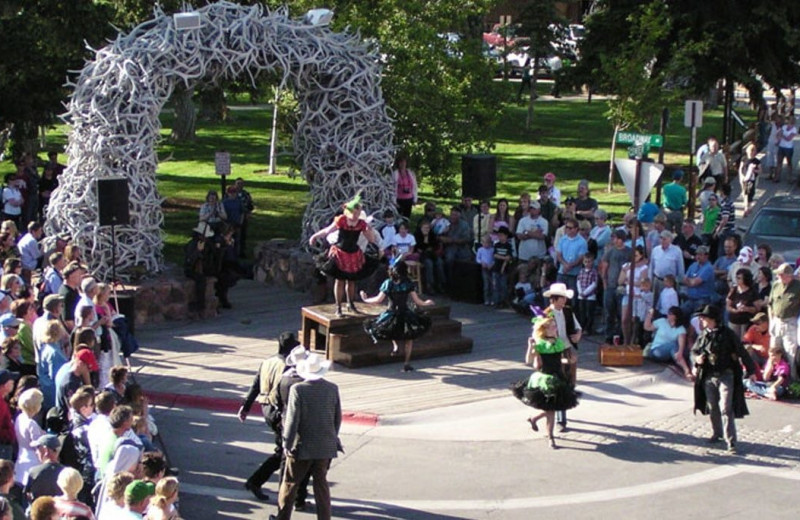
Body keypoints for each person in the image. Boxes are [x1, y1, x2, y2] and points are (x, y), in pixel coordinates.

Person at [270, 353, 342, 520]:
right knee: (321, 485)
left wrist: (287, 444)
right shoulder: (332, 388)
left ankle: (282, 517)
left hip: (302, 445)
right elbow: (337, 418)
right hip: (325, 445)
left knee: (290, 483)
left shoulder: (298, 390)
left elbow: (292, 420)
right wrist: (332, 436)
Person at [237, 331, 301, 502]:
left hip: (266, 408)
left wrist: (246, 407)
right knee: (285, 453)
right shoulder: (288, 367)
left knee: (284, 451)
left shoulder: (267, 362)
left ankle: (294, 494)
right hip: (279, 411)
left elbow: (255, 386)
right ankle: (266, 485)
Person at [691, 304, 756, 454]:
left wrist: (751, 370)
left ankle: (731, 441)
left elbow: (741, 352)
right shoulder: (703, 335)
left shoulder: (728, 334)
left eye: (704, 318)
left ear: (713, 319)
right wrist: (697, 359)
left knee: (726, 408)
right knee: (712, 406)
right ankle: (717, 433)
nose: (702, 320)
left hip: (726, 374)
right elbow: (694, 351)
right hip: (709, 375)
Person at [513, 316, 580, 449]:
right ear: (544, 329)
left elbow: (560, 360)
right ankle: (551, 437)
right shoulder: (540, 343)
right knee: (551, 410)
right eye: (552, 326)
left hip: (558, 377)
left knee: (553, 408)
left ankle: (534, 419)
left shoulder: (558, 342)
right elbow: (528, 360)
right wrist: (530, 347)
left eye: (555, 325)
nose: (555, 328)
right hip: (545, 378)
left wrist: (570, 361)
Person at [308, 194, 379, 317]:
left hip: (353, 254)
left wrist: (370, 229)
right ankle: (338, 306)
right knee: (340, 280)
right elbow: (327, 230)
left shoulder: (361, 224)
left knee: (351, 281)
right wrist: (315, 236)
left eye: (358, 213)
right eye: (354, 213)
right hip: (340, 253)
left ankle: (350, 304)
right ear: (348, 211)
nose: (356, 216)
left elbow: (371, 239)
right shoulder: (341, 220)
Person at [361, 260, 434, 372]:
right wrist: (427, 303)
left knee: (390, 329)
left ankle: (395, 347)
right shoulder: (408, 283)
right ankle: (407, 363)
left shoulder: (388, 283)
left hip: (392, 312)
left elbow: (378, 299)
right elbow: (418, 301)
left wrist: (365, 299)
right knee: (409, 338)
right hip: (405, 312)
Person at [542, 283, 581, 431]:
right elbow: (540, 334)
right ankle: (560, 419)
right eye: (562, 298)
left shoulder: (568, 311)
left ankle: (561, 415)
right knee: (557, 383)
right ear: (554, 299)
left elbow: (578, 327)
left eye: (565, 298)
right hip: (553, 353)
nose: (564, 301)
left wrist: (577, 335)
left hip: (567, 348)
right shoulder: (546, 314)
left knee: (569, 382)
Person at [767, 263, 800, 379]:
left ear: (789, 276)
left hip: (790, 322)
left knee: (790, 351)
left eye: (781, 275)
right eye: (778, 275)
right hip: (776, 321)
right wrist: (771, 321)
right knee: (773, 350)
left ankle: (792, 380)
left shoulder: (798, 287)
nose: (779, 277)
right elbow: (770, 304)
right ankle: (771, 377)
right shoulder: (775, 285)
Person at [643, 306, 692, 379]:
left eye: (670, 314)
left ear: (676, 316)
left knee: (676, 348)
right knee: (673, 345)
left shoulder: (681, 329)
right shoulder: (662, 321)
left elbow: (681, 343)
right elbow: (647, 327)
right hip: (656, 349)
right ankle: (686, 369)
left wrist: (680, 352)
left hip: (671, 351)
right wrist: (649, 315)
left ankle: (686, 368)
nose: (668, 315)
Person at [599, 230, 630, 342]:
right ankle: (608, 335)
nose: (615, 241)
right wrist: (605, 283)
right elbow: (604, 267)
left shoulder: (628, 252)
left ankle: (619, 335)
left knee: (620, 313)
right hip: (611, 286)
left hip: (623, 286)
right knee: (609, 312)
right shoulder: (610, 252)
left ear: (622, 239)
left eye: (617, 238)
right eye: (613, 238)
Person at [14, 388, 45, 486]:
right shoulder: (32, 423)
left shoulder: (19, 418)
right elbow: (37, 445)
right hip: (33, 462)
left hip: (21, 459)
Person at [619, 246, 649, 345]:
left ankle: (633, 340)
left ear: (640, 256)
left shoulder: (644, 268)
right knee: (624, 319)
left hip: (637, 295)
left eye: (636, 255)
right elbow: (620, 281)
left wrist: (631, 282)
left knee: (634, 319)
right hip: (628, 294)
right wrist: (625, 271)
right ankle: (625, 340)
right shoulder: (626, 266)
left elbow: (643, 283)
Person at [555, 217, 587, 305]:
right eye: (567, 227)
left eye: (570, 228)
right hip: (562, 272)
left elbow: (581, 258)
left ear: (576, 229)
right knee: (558, 296)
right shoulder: (563, 239)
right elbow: (558, 254)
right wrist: (565, 264)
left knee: (573, 299)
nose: (568, 229)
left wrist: (570, 266)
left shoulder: (582, 242)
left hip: (574, 274)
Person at [25, 434, 66, 501]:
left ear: (45, 450)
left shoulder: (34, 472)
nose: (36, 452)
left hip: (39, 510)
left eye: (38, 448)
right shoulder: (67, 473)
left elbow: (26, 495)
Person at [679, 245, 715, 317]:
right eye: (697, 254)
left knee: (695, 319)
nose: (698, 256)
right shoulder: (693, 265)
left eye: (700, 255)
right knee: (680, 313)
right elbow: (684, 280)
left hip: (702, 300)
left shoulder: (708, 268)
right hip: (690, 298)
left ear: (706, 256)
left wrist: (690, 281)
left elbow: (695, 282)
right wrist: (691, 281)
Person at [726, 268, 759, 338]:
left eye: (739, 278)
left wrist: (747, 309)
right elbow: (728, 305)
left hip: (746, 321)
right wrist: (735, 310)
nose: (737, 280)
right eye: (736, 278)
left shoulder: (752, 292)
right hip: (733, 320)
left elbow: (757, 308)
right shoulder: (733, 290)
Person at [413, 220, 444, 294]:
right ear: (421, 228)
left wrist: (427, 244)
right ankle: (429, 285)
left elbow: (435, 246)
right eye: (424, 228)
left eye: (428, 228)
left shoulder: (432, 235)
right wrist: (425, 239)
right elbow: (418, 247)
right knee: (429, 264)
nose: (426, 230)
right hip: (422, 256)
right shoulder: (417, 235)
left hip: (432, 254)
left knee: (439, 262)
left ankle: (440, 284)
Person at [576, 254, 598, 333]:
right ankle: (582, 327)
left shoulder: (594, 272)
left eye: (589, 262)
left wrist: (585, 293)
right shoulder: (581, 271)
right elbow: (578, 281)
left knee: (589, 313)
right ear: (583, 262)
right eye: (586, 262)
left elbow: (594, 284)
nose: (587, 263)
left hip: (590, 296)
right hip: (581, 295)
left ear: (592, 262)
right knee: (582, 312)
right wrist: (580, 292)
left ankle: (588, 328)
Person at [491, 227, 513, 307]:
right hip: (496, 268)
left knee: (503, 286)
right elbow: (495, 255)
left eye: (501, 235)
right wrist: (503, 257)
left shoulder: (508, 246)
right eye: (499, 235)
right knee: (496, 286)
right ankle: (496, 301)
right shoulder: (497, 245)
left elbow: (509, 258)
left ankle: (503, 302)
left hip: (504, 269)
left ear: (506, 236)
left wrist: (503, 266)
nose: (500, 237)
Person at [391, 152, 417, 220]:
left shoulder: (410, 173)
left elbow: (414, 186)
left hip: (409, 199)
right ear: (398, 163)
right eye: (401, 162)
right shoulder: (395, 174)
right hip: (399, 199)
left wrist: (415, 199)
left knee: (406, 218)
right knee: (398, 217)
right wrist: (394, 201)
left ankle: (406, 229)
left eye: (404, 162)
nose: (402, 164)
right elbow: (392, 188)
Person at [234, 177, 254, 259]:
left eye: (241, 184)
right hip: (234, 217)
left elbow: (250, 206)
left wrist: (248, 213)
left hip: (244, 217)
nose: (239, 185)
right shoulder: (231, 193)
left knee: (242, 235)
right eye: (238, 183)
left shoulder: (246, 194)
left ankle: (242, 252)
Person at [738, 143, 760, 216]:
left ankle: (748, 206)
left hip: (752, 179)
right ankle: (746, 208)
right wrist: (741, 177)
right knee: (745, 193)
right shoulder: (744, 159)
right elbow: (740, 168)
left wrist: (754, 170)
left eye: (753, 152)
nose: (751, 154)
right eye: (750, 152)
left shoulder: (756, 161)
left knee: (750, 193)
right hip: (744, 179)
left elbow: (760, 171)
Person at [775, 115, 797, 183]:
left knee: (789, 163)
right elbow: (778, 134)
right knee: (779, 162)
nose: (787, 121)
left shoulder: (794, 129)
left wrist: (782, 135)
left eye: (789, 120)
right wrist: (779, 139)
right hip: (781, 146)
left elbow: (789, 138)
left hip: (788, 148)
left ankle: (789, 177)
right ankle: (777, 177)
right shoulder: (784, 127)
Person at [475, 236, 494, 306]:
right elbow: (477, 259)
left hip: (491, 268)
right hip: (484, 268)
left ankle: (492, 299)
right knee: (486, 285)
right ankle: (486, 299)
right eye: (484, 242)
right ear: (482, 243)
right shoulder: (480, 250)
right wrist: (482, 262)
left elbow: (494, 259)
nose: (486, 244)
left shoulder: (492, 250)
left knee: (492, 284)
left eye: (488, 243)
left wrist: (492, 264)